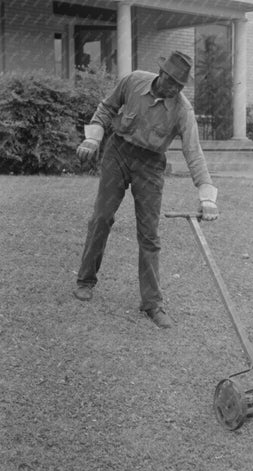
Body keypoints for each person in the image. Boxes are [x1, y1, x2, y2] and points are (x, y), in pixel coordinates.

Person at [74, 50, 218, 329]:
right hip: (118, 152)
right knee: (101, 217)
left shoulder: (182, 110)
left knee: (149, 234)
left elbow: (194, 153)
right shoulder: (134, 81)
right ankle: (85, 280)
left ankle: (152, 303)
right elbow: (106, 109)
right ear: (161, 74)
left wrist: (207, 195)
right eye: (171, 82)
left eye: (179, 85)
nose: (174, 88)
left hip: (151, 165)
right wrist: (93, 138)